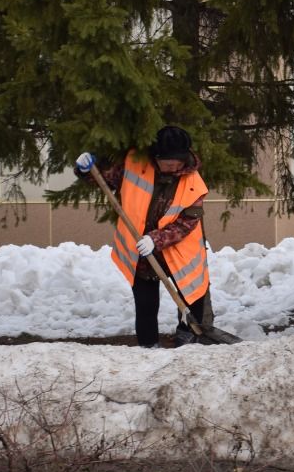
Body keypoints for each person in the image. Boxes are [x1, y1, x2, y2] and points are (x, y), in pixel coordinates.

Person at [74, 126, 213, 348]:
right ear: (155, 157)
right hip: (141, 252)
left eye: (177, 161)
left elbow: (187, 222)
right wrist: (85, 169)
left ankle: (188, 340)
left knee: (193, 297)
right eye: (167, 161)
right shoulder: (135, 165)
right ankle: (149, 348)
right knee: (146, 304)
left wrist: (156, 240)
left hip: (179, 254)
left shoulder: (193, 182)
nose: (173, 166)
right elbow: (105, 178)